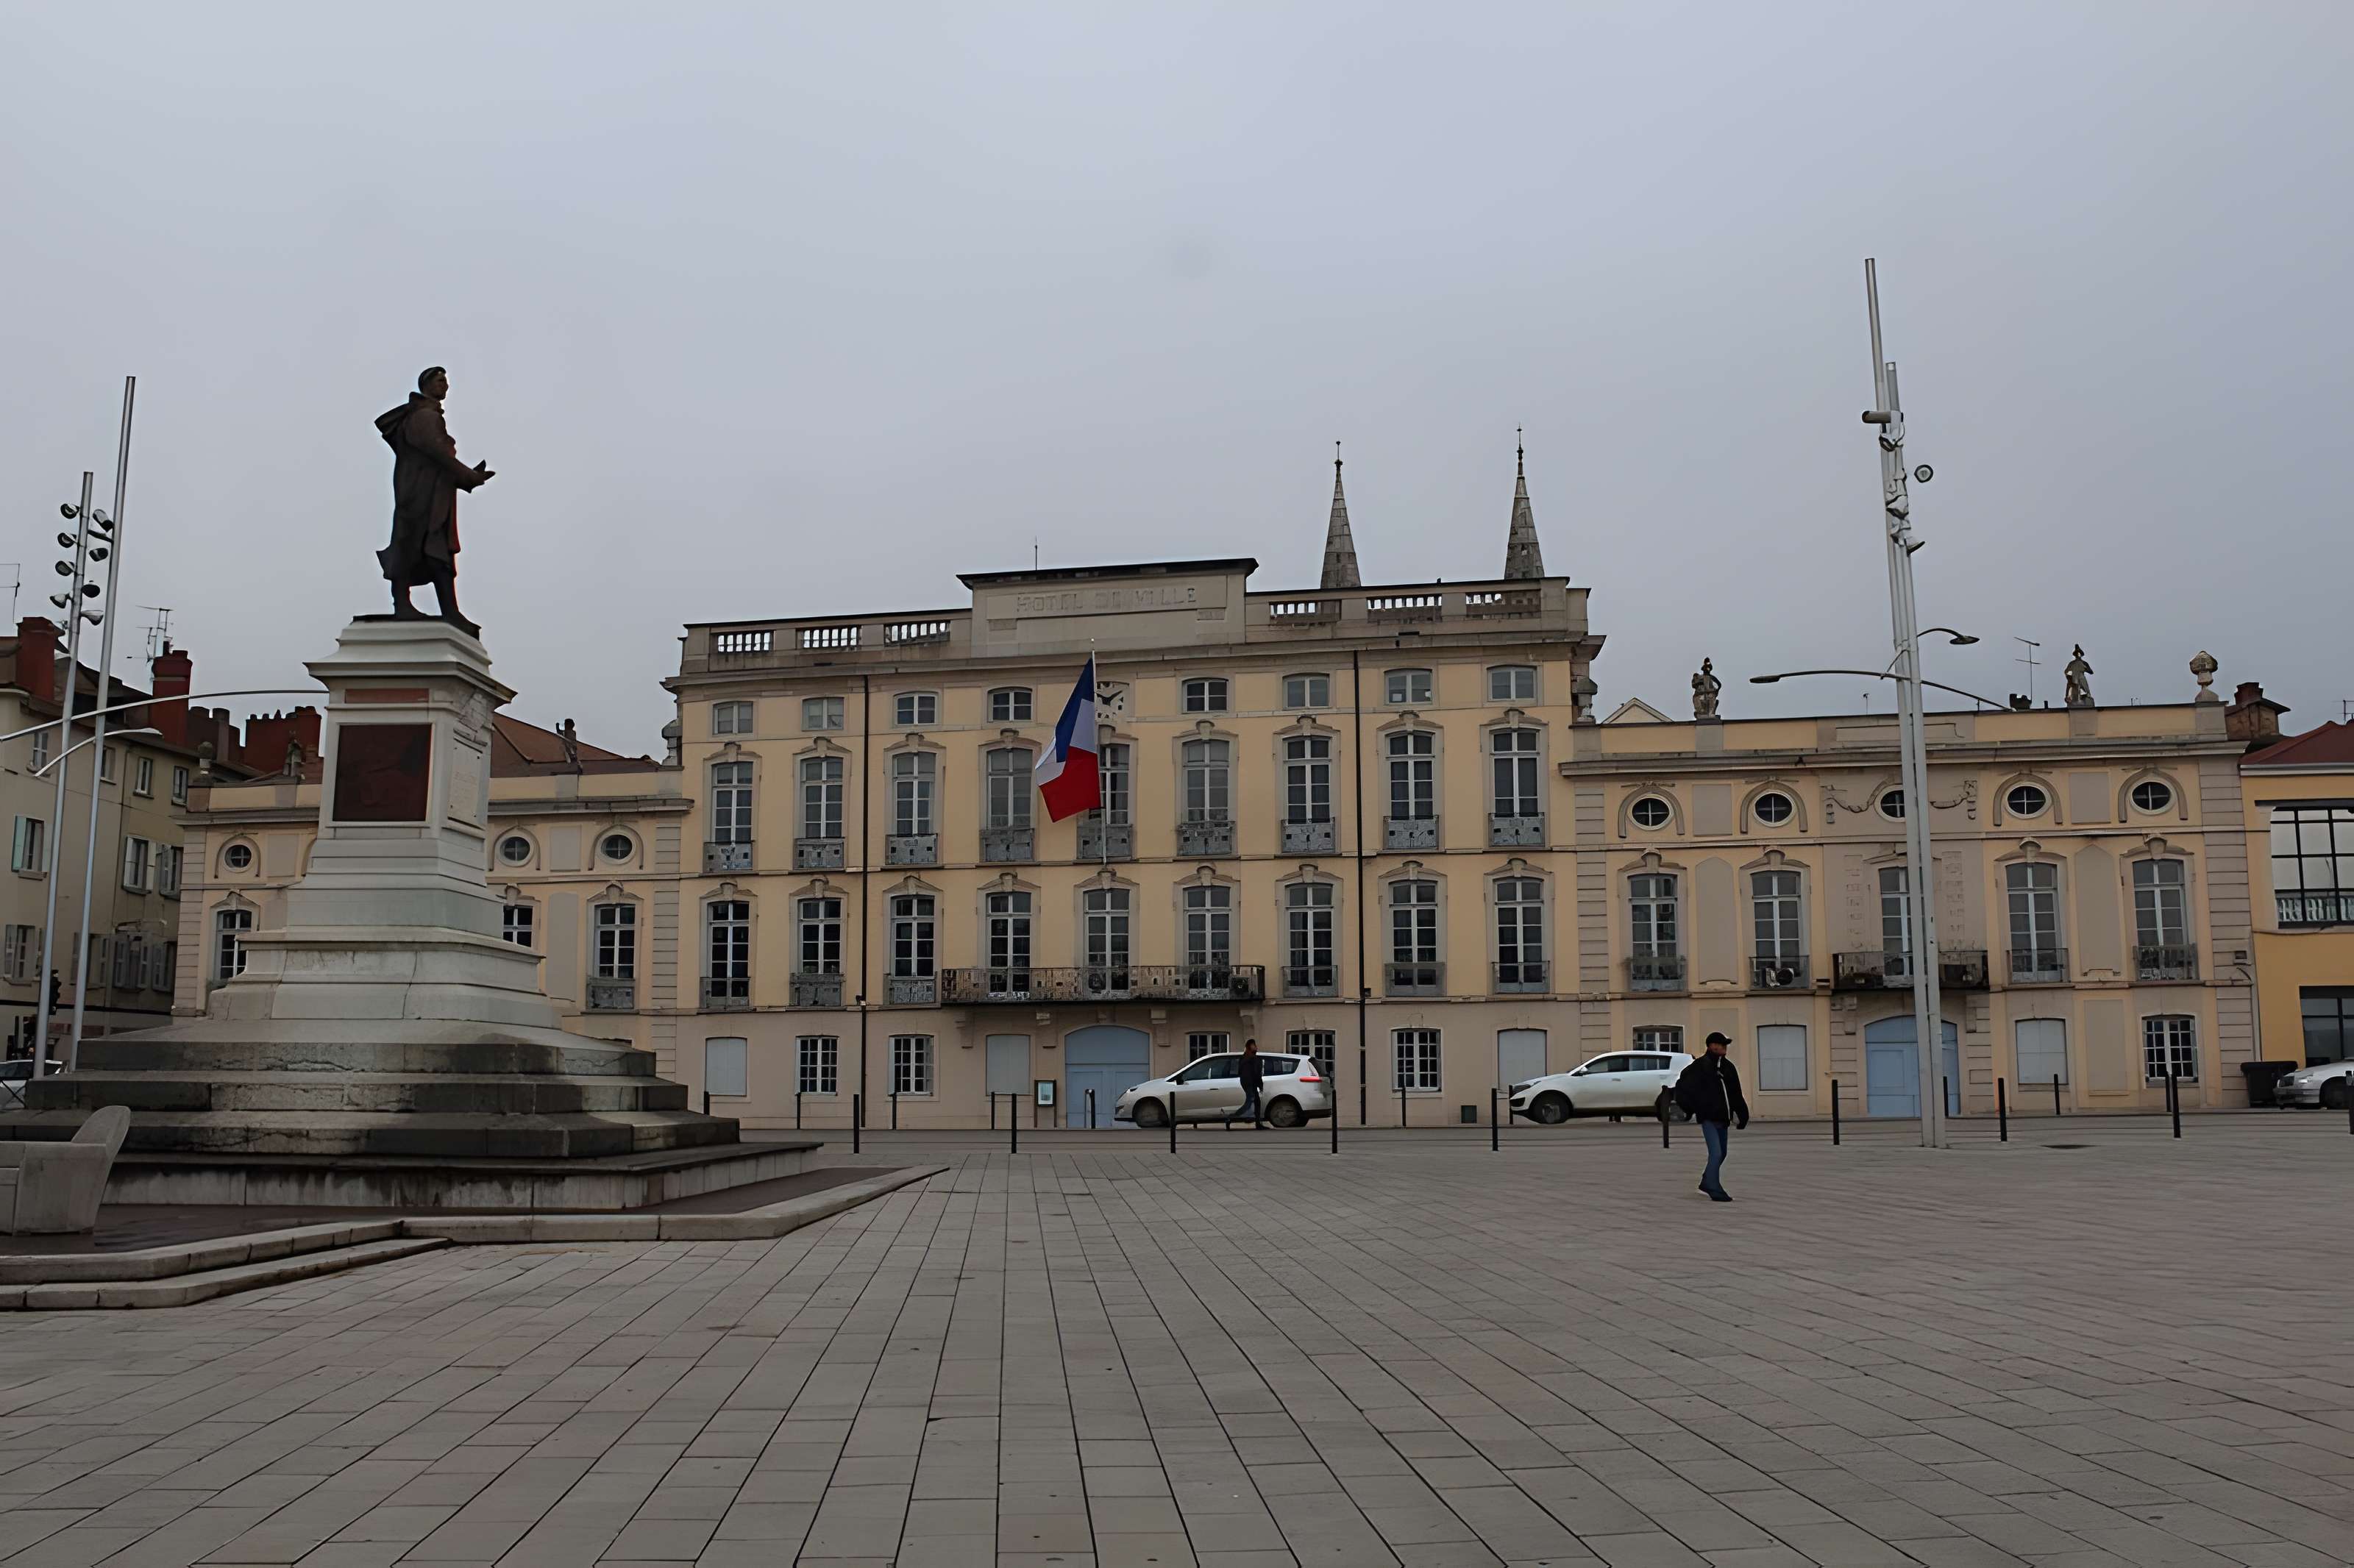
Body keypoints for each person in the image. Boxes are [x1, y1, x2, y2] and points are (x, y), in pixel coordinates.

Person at [1674, 1032, 1749, 1201]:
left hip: (1723, 1117)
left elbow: (1736, 1093)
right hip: (1708, 1117)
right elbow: (1683, 1087)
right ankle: (1715, 1189)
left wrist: (1742, 1114)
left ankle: (1707, 1180)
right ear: (1711, 1046)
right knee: (1715, 1153)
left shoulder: (1728, 1067)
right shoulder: (1700, 1066)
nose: (1724, 1047)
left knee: (1722, 1154)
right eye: (1720, 1044)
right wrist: (1691, 1108)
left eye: (1725, 1045)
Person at [1227, 1038, 1267, 1130]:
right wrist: (1260, 1085)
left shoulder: (1244, 1058)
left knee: (1255, 1103)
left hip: (1247, 1083)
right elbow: (1257, 1074)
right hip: (1251, 1083)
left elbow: (1240, 1071)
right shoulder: (1253, 1059)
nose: (1256, 1047)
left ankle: (1257, 1123)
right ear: (1250, 1048)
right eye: (1254, 1046)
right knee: (1249, 1104)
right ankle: (1231, 1118)